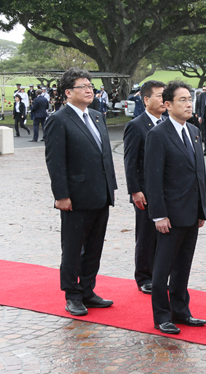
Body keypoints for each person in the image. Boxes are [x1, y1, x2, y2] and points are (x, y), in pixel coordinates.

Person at [44, 67, 117, 317]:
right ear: (67, 92)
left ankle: (87, 290)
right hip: (75, 197)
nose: (89, 90)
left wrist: (111, 188)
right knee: (73, 248)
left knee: (94, 247)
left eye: (91, 86)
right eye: (83, 86)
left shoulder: (97, 116)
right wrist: (61, 195)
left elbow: (103, 155)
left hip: (101, 194)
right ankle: (72, 295)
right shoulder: (58, 119)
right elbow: (55, 161)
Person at [144, 80, 206, 335]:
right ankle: (162, 315)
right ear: (168, 104)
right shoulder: (157, 134)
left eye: (190, 99)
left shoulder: (193, 131)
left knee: (184, 265)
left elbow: (199, 173)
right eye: (182, 100)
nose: (189, 103)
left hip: (191, 212)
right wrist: (158, 214)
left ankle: (181, 311)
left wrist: (202, 209)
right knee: (162, 268)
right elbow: (153, 177)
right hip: (169, 214)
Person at [123, 80, 166, 295]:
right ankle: (144, 276)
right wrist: (135, 190)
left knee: (165, 235)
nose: (163, 99)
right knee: (147, 235)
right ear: (146, 99)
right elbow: (130, 161)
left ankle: (159, 273)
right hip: (145, 192)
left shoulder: (167, 123)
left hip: (166, 191)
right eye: (159, 95)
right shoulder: (136, 125)